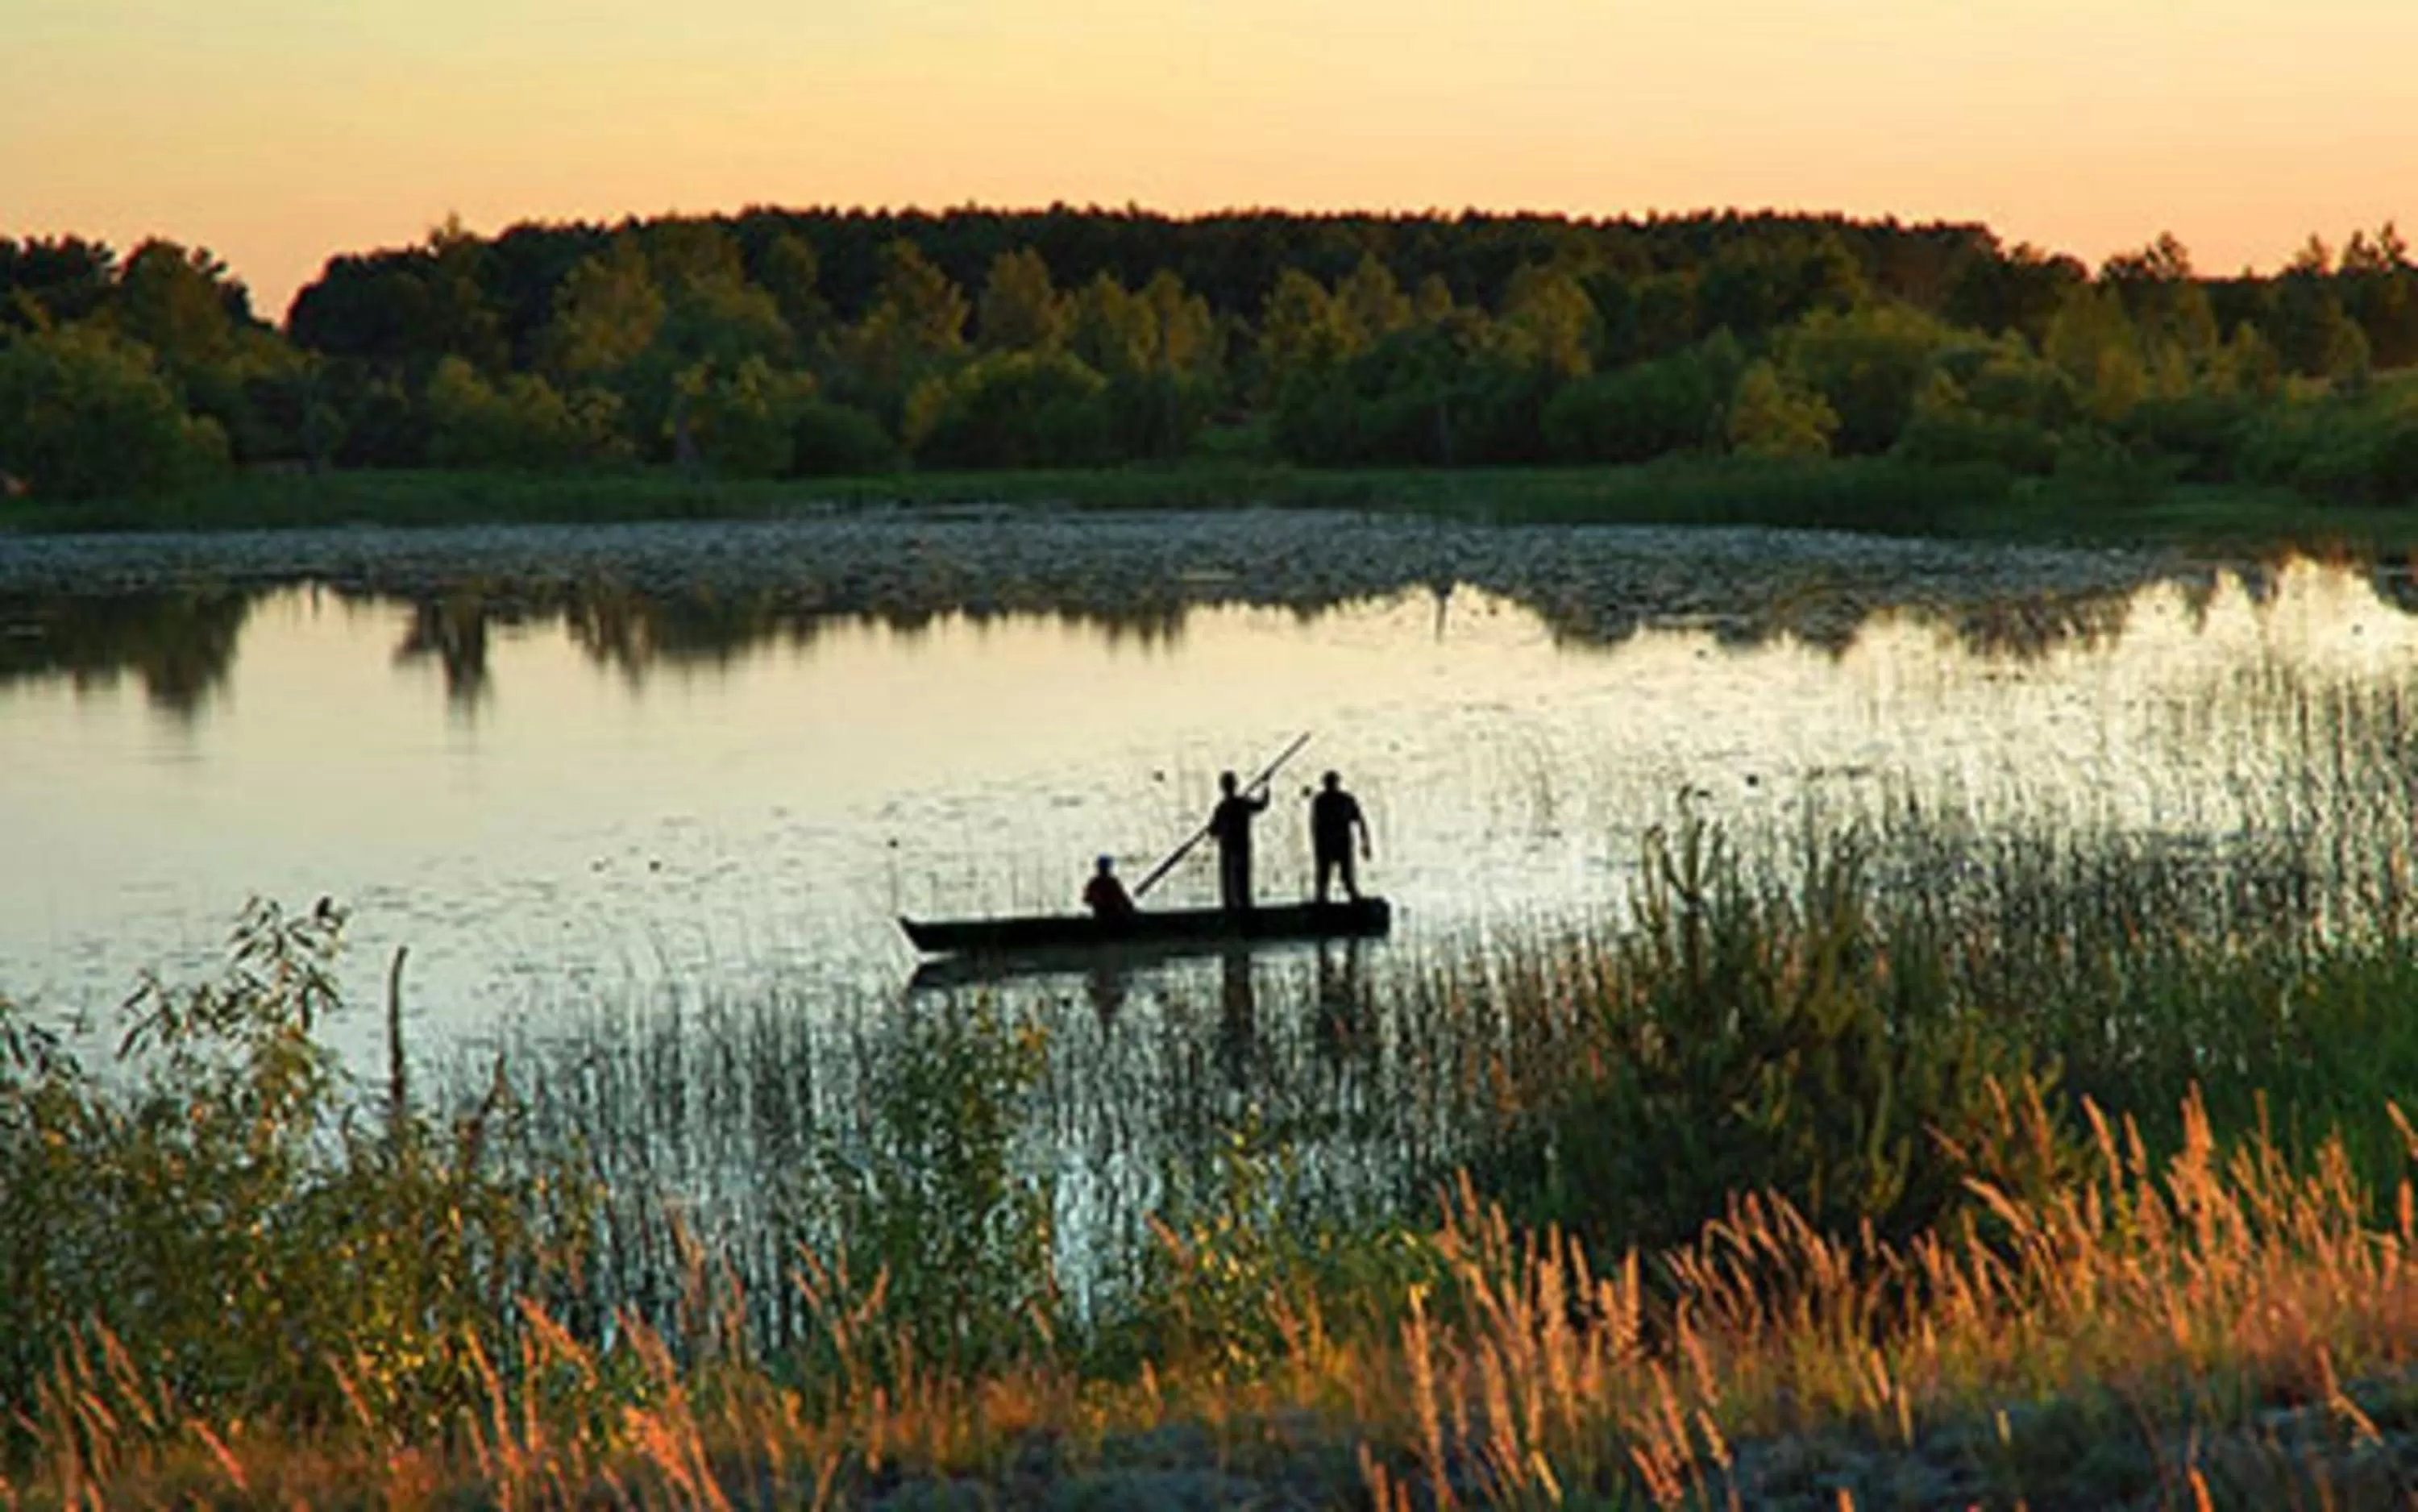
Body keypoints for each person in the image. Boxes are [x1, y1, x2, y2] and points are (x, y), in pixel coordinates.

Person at [1207, 770, 1269, 912]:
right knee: (1241, 882)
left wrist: (1212, 830)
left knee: (1229, 883)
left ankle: (1231, 911)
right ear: (1235, 785)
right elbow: (1262, 805)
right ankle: (1243, 910)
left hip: (1231, 849)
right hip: (1239, 848)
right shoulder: (1240, 804)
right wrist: (1266, 786)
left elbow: (1213, 831)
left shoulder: (1222, 807)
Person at [1309, 770, 1371, 903]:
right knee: (1325, 878)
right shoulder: (1323, 801)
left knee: (1345, 876)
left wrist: (1365, 842)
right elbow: (1315, 825)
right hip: (1330, 843)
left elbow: (1360, 821)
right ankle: (1324, 902)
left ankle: (1352, 899)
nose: (1330, 785)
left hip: (1339, 842)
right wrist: (1365, 842)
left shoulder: (1342, 800)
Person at [1082, 854, 1136, 921]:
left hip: (1104, 915)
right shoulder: (1111, 882)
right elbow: (1123, 898)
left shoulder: (1096, 882)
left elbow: (1087, 899)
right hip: (1109, 915)